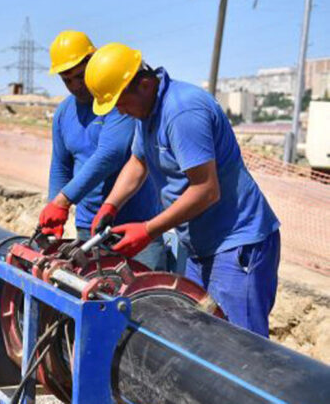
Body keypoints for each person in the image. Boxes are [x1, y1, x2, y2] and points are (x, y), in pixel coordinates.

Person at [85, 42, 280, 337]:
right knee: (201, 341)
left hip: (236, 244)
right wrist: (111, 205)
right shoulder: (147, 113)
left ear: (145, 84)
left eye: (120, 102)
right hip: (200, 247)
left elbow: (206, 189)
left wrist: (148, 230)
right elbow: (138, 163)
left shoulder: (182, 112)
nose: (120, 111)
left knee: (244, 350)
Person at [37, 31, 165, 270]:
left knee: (149, 297)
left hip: (136, 225)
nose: (76, 85)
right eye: (67, 80)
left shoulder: (116, 100)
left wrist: (64, 200)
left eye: (80, 75)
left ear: (93, 61)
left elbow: (111, 154)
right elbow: (61, 165)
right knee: (97, 295)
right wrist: (54, 207)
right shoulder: (65, 113)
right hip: (90, 228)